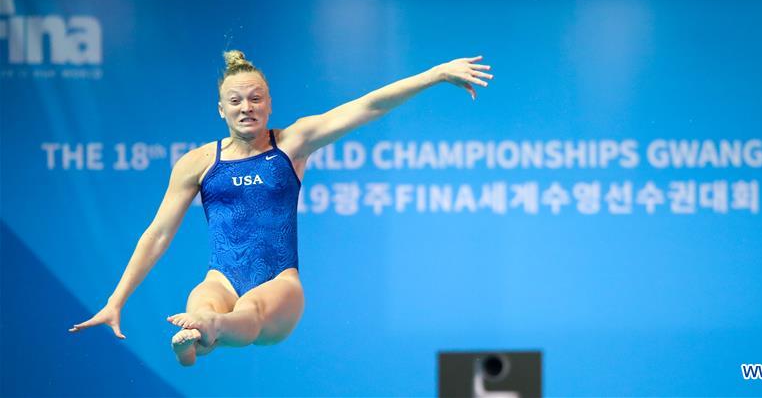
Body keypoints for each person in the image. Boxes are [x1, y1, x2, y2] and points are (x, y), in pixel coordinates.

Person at [68, 50, 493, 366]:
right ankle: (198, 334)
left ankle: (207, 332)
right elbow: (157, 234)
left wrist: (435, 74)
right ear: (221, 109)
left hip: (280, 285)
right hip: (222, 277)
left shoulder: (291, 143)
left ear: (269, 104)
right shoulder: (197, 163)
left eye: (255, 99)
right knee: (200, 300)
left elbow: (367, 106)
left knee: (249, 313)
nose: (246, 108)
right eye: (235, 101)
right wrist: (116, 299)